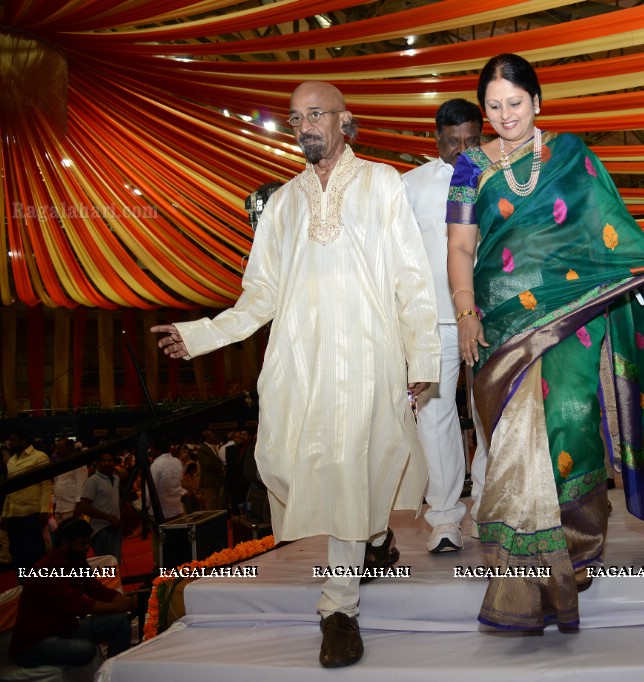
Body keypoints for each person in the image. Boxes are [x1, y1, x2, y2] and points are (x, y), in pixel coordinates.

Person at [151, 80, 439, 668]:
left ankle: (339, 609)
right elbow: (257, 296)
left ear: (344, 121)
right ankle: (375, 539)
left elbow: (412, 277)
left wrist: (423, 358)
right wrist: (201, 334)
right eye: (294, 118)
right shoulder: (282, 203)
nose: (304, 125)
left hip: (368, 355)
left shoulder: (383, 183)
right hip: (301, 361)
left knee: (352, 466)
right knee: (304, 467)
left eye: (315, 114)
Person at [447, 54, 644, 631]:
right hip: (500, 317)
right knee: (514, 434)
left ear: (537, 102)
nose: (506, 114)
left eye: (515, 102)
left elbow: (613, 235)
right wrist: (465, 311)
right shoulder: (468, 168)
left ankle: (578, 544)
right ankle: (520, 564)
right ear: (483, 110)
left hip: (573, 311)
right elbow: (461, 247)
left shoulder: (574, 156)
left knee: (571, 412)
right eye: (494, 105)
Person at [403, 98, 484, 553]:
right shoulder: (409, 186)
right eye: (453, 143)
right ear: (436, 140)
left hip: (488, 316)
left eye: (472, 141)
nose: (463, 151)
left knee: (491, 413)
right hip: (433, 319)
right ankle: (445, 519)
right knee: (434, 415)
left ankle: (490, 505)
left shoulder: (497, 177)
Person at [9, 518, 133, 669]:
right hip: (35, 642)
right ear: (64, 544)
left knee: (120, 623)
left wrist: (128, 601)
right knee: (85, 649)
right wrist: (127, 605)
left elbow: (96, 589)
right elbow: (81, 605)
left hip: (64, 628)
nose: (87, 547)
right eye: (82, 544)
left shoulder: (76, 559)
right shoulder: (46, 569)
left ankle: (114, 673)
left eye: (88, 542)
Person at [1, 432, 52, 577]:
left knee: (35, 553)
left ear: (23, 441)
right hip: (13, 514)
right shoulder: (11, 461)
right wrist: (5, 514)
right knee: (17, 554)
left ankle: (41, 585)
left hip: (32, 513)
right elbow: (9, 490)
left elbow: (46, 486)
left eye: (13, 440)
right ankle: (24, 585)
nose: (10, 443)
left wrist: (44, 511)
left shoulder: (40, 457)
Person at [75, 452, 123, 563]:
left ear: (114, 462)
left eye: (109, 460)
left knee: (115, 563)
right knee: (105, 566)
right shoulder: (93, 480)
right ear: (98, 463)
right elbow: (84, 506)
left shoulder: (116, 479)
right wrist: (109, 517)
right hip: (101, 530)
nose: (106, 463)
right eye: (103, 460)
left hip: (115, 527)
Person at [52, 437, 87, 523]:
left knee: (73, 535)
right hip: (59, 507)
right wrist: (55, 502)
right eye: (56, 448)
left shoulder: (79, 462)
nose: (57, 450)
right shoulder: (59, 463)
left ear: (69, 448)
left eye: (60, 448)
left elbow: (81, 485)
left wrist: (78, 506)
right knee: (62, 535)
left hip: (72, 507)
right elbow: (56, 484)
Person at [196, 429, 225, 510]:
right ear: (206, 437)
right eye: (211, 435)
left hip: (216, 480)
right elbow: (208, 464)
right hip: (209, 481)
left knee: (216, 503)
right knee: (211, 504)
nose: (213, 436)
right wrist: (221, 468)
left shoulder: (211, 447)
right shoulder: (202, 449)